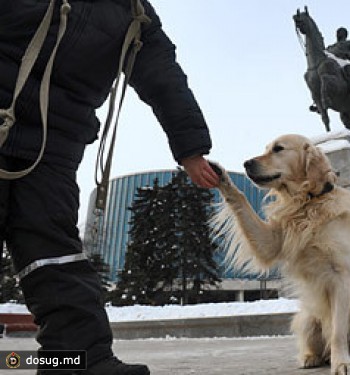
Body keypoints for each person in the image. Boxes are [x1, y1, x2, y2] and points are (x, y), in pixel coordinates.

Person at [0, 1, 219, 374]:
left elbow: (165, 78)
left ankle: (78, 362)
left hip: (52, 152)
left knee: (57, 257)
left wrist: (191, 148)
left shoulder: (134, 14)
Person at [326, 27, 350, 105]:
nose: (338, 34)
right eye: (337, 32)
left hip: (345, 61)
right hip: (333, 63)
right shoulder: (330, 47)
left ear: (345, 34)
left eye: (340, 32)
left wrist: (347, 55)